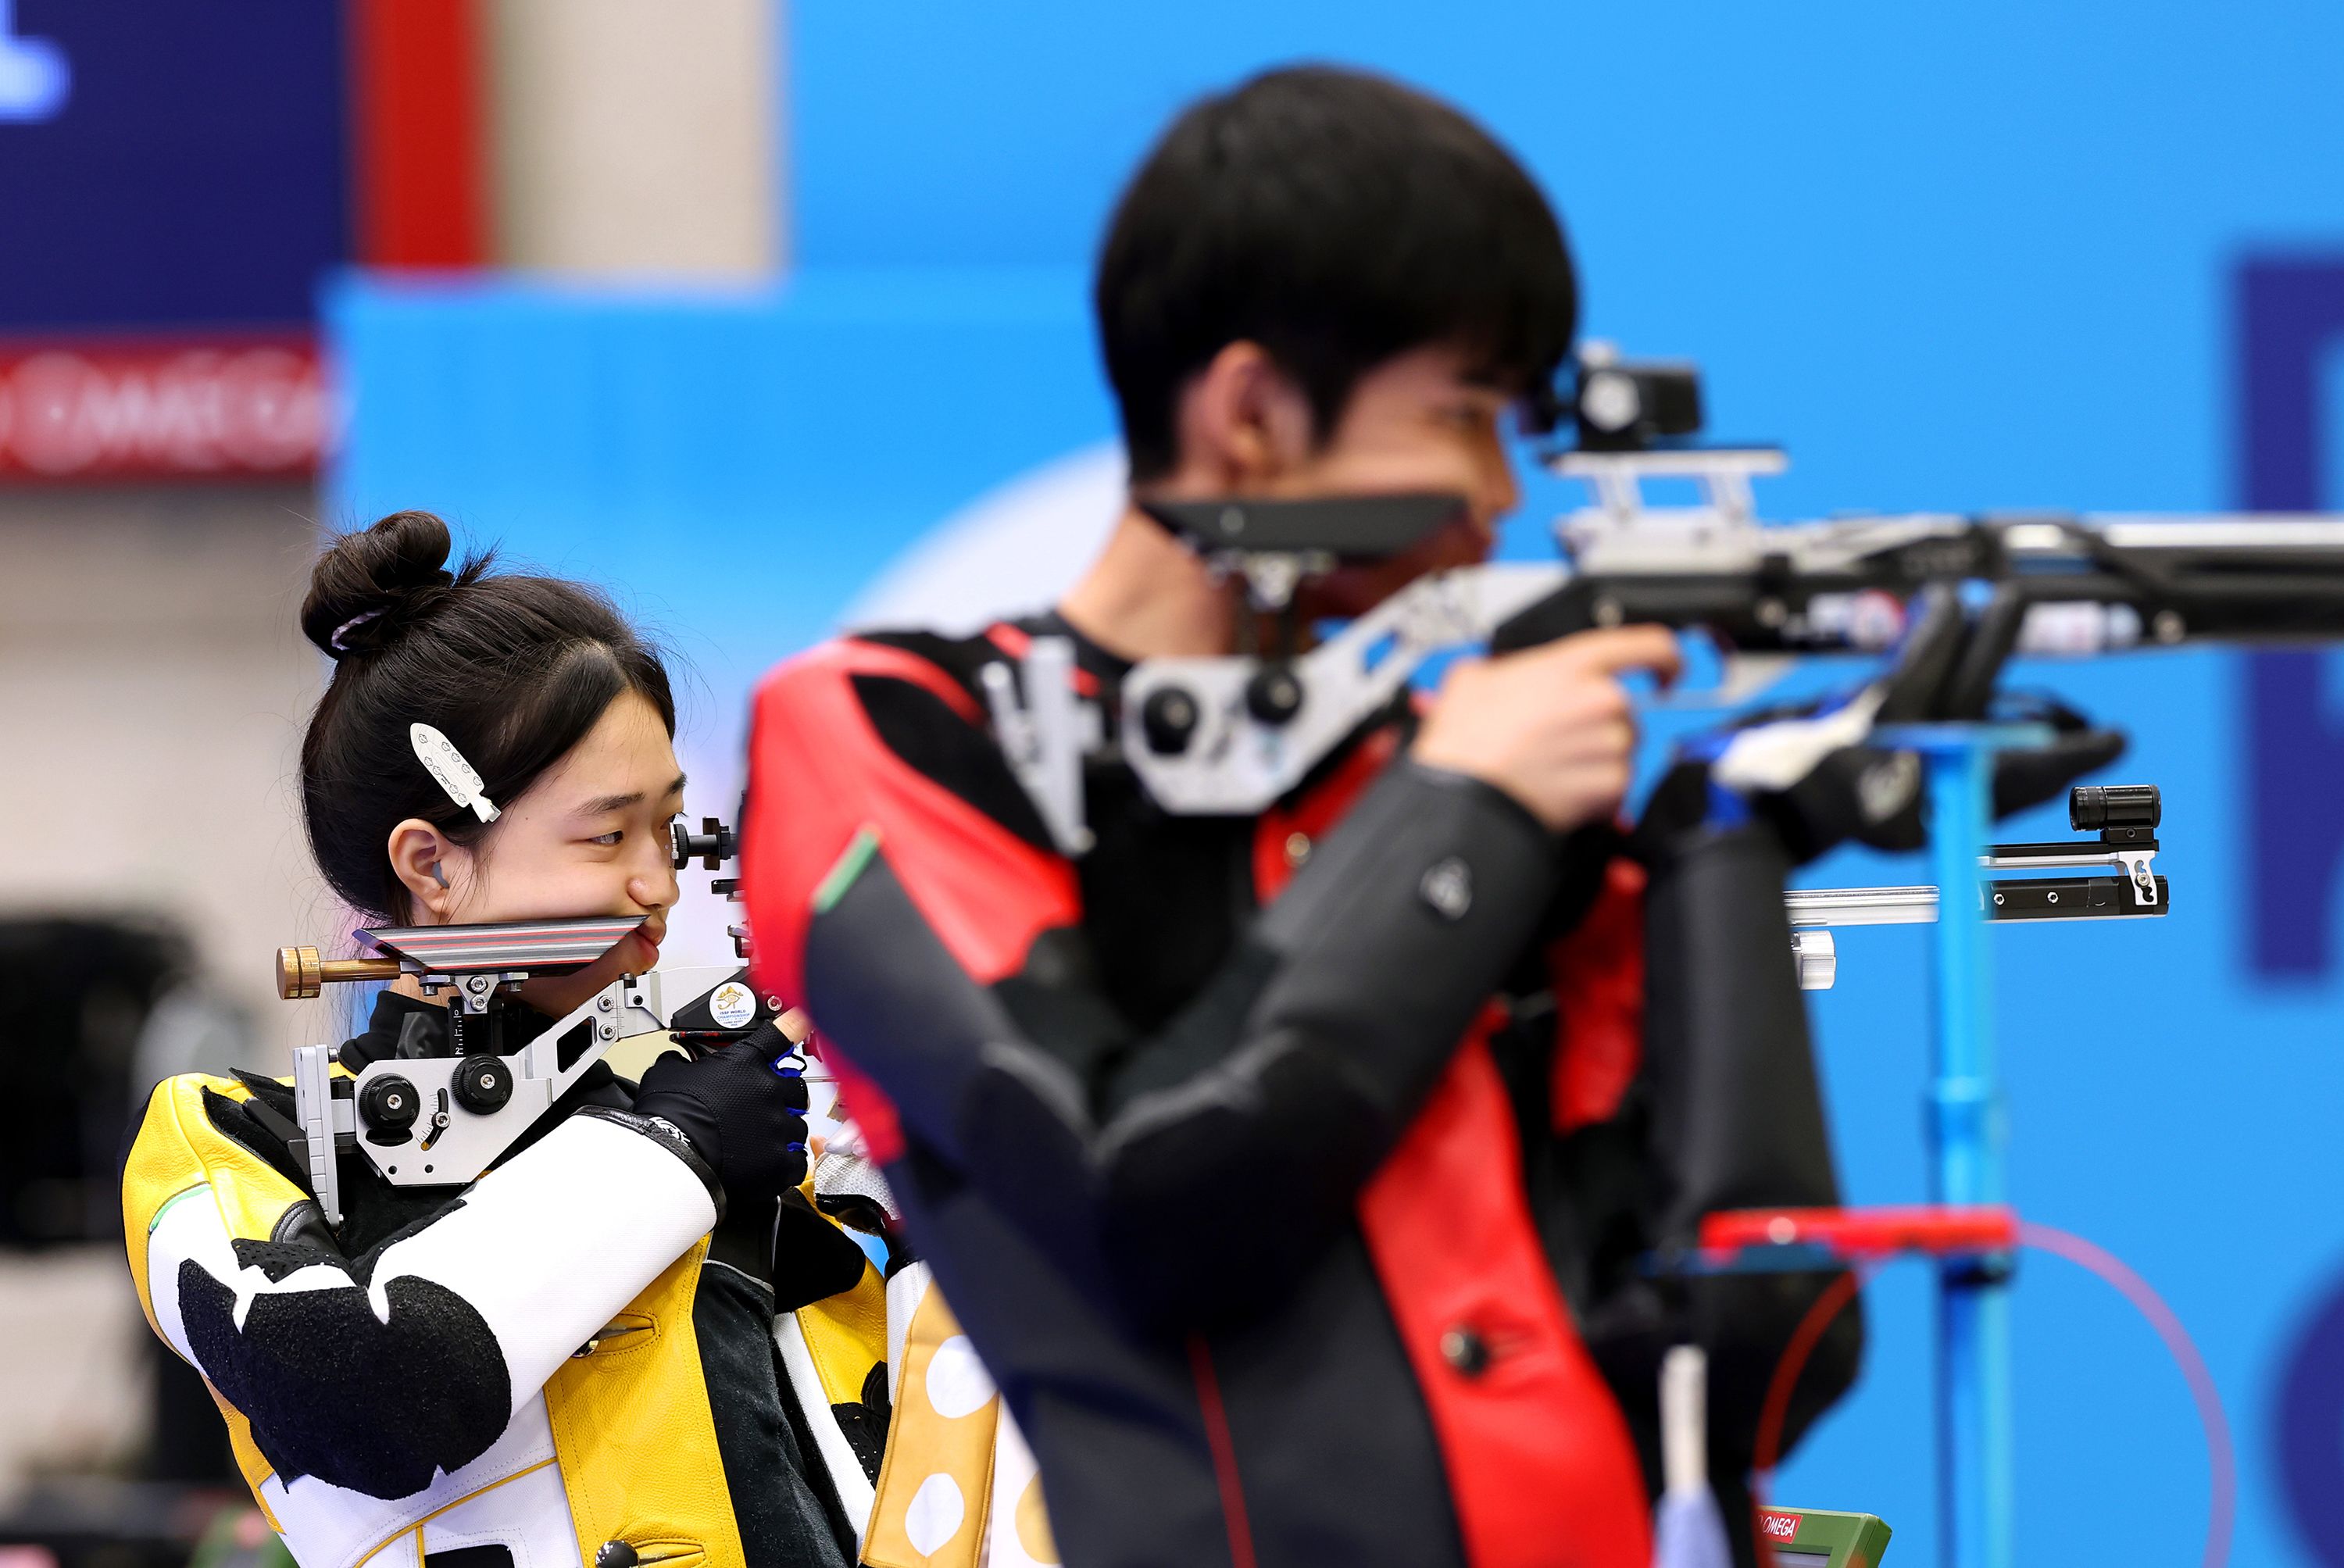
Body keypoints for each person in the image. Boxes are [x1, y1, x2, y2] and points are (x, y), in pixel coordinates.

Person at [743, 68, 2113, 1567]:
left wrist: (1727, 850)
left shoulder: (1448, 786)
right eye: (1460, 417)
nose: (1494, 498)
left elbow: (1757, 1358)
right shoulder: (892, 729)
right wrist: (1462, 808)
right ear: (1253, 413)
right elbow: (1144, 1206)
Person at [123, 513, 885, 1568]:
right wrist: (676, 1156)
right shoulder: (224, 1140)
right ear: (430, 868)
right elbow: (368, 1392)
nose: (658, 886)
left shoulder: (728, 1102)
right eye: (607, 835)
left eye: (670, 830)